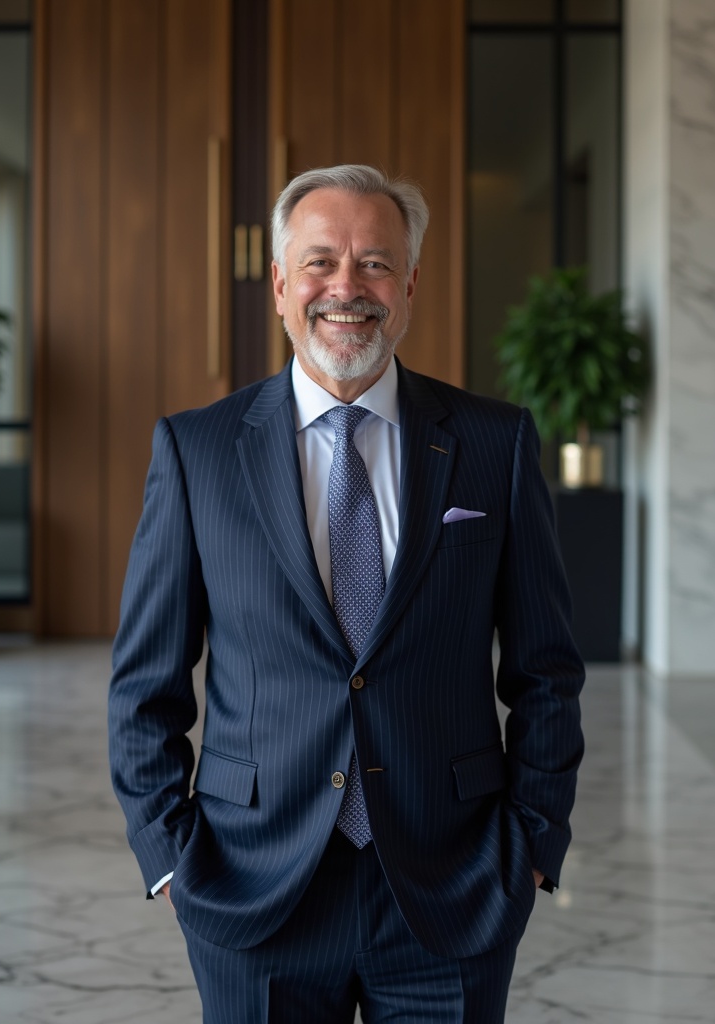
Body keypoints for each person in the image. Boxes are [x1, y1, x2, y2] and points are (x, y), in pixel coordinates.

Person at [108, 164, 585, 1023]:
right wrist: (169, 856)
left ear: (409, 286)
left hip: (454, 884)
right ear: (280, 285)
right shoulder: (197, 451)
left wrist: (536, 844)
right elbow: (145, 686)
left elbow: (546, 669)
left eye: (374, 263)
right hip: (253, 888)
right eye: (321, 262)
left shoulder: (496, 443)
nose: (347, 288)